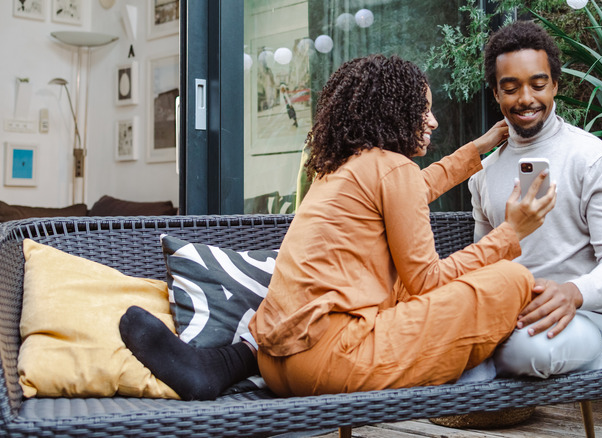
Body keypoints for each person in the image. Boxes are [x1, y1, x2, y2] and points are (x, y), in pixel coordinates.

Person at [119, 54, 556, 400]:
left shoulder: (344, 170)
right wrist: (510, 233)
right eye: (423, 111)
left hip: (276, 362)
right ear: (394, 113)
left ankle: (221, 364)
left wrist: (475, 150)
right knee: (509, 278)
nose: (433, 122)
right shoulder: (393, 169)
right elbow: (426, 281)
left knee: (376, 282)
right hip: (337, 365)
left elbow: (414, 189)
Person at [464, 20, 602, 381]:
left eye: (538, 84)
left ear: (555, 85)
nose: (526, 99)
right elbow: (481, 266)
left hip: (583, 320)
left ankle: (474, 368)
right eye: (511, 88)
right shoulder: (484, 173)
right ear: (496, 95)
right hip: (506, 316)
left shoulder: (592, 158)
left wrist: (573, 292)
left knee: (524, 351)